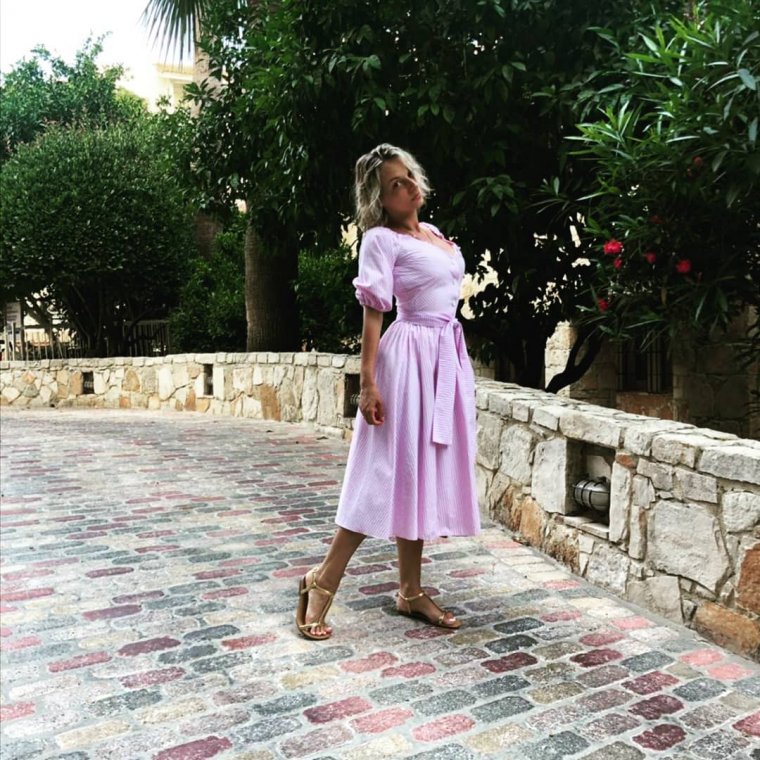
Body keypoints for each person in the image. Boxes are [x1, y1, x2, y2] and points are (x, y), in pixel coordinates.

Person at [295, 143, 480, 640]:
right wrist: (369, 383)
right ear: (379, 199)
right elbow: (374, 314)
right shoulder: (380, 240)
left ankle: (410, 591)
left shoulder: (435, 234)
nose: (409, 187)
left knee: (417, 475)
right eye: (396, 184)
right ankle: (322, 580)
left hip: (442, 360)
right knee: (381, 476)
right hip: (406, 361)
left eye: (409, 176)